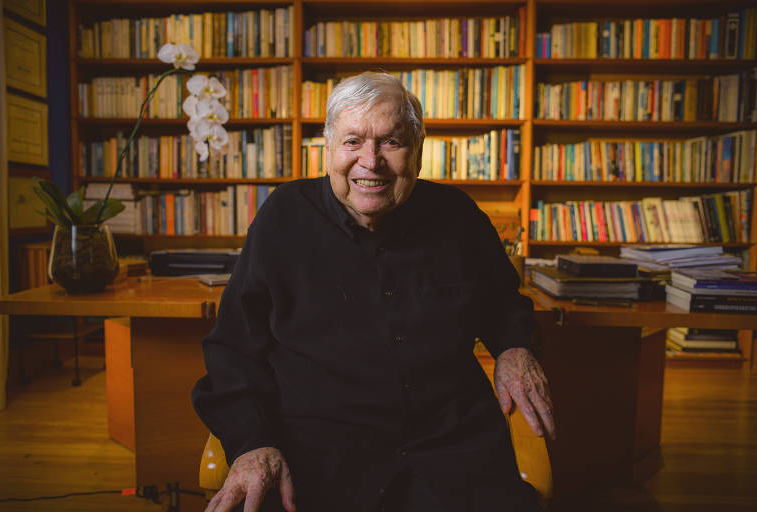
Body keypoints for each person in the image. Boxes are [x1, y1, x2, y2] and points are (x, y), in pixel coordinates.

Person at [192, 72, 555, 512]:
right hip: (317, 452)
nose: (370, 160)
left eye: (390, 141)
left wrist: (514, 347)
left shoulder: (458, 216)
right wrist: (252, 443)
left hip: (449, 452)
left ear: (417, 152)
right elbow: (233, 348)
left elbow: (501, 302)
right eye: (352, 142)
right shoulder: (282, 219)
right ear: (328, 149)